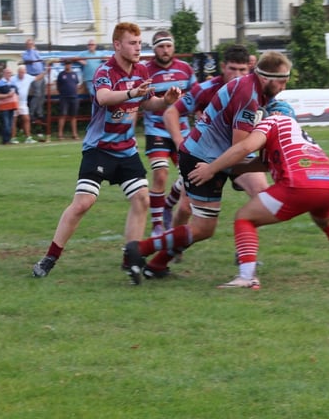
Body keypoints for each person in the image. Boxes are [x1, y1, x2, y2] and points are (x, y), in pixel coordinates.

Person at [123, 51, 291, 284]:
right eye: (282, 80)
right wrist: (271, 162)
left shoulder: (255, 89)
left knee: (257, 199)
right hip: (204, 158)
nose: (285, 86)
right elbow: (240, 148)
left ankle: (157, 264)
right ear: (265, 77)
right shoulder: (248, 96)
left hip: (215, 156)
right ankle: (138, 249)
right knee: (200, 225)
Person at [32, 22, 181, 279]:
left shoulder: (142, 69)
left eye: (139, 43)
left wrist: (165, 101)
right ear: (117, 45)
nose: (138, 48)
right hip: (99, 148)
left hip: (126, 150)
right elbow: (103, 97)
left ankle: (129, 258)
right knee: (83, 203)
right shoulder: (105, 71)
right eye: (132, 43)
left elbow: (147, 103)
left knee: (142, 199)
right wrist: (131, 91)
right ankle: (50, 258)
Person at [186, 100, 329, 288]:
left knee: (245, 217)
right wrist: (222, 169)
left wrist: (211, 167)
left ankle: (247, 277)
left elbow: (244, 148)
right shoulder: (295, 131)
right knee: (326, 220)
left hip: (301, 184)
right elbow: (259, 165)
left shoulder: (272, 121)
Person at [161, 44, 252, 231]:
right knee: (186, 208)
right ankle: (172, 247)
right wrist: (180, 143)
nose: (237, 75)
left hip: (239, 154)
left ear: (249, 69)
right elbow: (171, 113)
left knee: (261, 193)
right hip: (204, 155)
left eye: (242, 70)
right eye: (232, 69)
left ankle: (245, 254)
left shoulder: (255, 90)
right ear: (223, 66)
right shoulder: (205, 89)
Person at [142, 30, 196, 235]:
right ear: (154, 48)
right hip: (155, 129)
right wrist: (163, 102)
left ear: (173, 47)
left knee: (189, 178)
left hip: (182, 131)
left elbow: (197, 95)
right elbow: (144, 103)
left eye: (168, 46)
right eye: (161, 46)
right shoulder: (145, 71)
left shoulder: (186, 69)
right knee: (161, 173)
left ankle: (168, 204)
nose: (165, 50)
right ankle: (157, 227)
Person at [10, 65, 43, 144]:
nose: (21, 74)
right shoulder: (13, 79)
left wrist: (46, 70)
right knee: (14, 120)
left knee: (27, 119)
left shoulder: (28, 77)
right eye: (20, 72)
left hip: (23, 102)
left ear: (25, 72)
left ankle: (28, 137)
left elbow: (37, 77)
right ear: (18, 72)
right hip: (14, 102)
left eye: (23, 72)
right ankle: (13, 138)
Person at [22, 38, 46, 125]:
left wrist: (44, 71)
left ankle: (40, 114)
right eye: (29, 44)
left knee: (42, 96)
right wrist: (32, 49)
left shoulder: (37, 52)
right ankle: (31, 114)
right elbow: (31, 60)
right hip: (33, 75)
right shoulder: (25, 54)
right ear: (27, 45)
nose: (30, 45)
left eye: (32, 44)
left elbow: (42, 61)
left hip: (41, 75)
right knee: (37, 94)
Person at [56, 60, 80, 140]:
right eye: (66, 64)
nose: (68, 65)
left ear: (71, 65)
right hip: (64, 97)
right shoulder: (61, 74)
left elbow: (76, 85)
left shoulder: (74, 74)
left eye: (69, 64)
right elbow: (58, 86)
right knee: (62, 115)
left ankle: (74, 134)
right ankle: (60, 134)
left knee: (73, 116)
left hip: (74, 97)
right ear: (64, 65)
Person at [0, 67, 19, 144]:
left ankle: (8, 139)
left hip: (12, 106)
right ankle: (5, 140)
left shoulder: (13, 83)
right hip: (4, 107)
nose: (9, 74)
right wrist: (7, 95)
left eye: (10, 73)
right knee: (6, 124)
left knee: (10, 124)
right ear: (4, 73)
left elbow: (16, 95)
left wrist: (17, 106)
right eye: (8, 73)